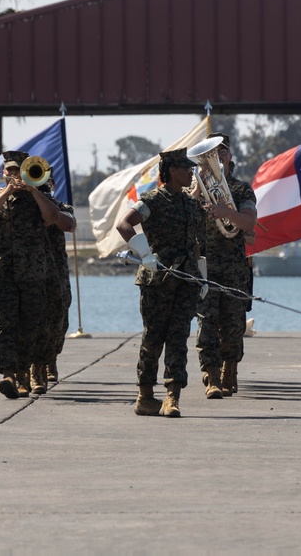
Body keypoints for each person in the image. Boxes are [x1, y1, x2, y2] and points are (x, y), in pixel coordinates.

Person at [117, 147, 205, 417]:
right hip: (157, 280)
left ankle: (172, 396)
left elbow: (196, 244)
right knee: (153, 338)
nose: (191, 172)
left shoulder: (192, 204)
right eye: (186, 168)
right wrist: (144, 254)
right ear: (171, 171)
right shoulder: (151, 200)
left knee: (179, 337)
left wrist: (203, 275)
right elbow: (124, 224)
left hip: (186, 280)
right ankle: (145, 395)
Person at [0, 150, 72, 399]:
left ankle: (24, 373)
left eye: (20, 170)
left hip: (33, 274)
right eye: (10, 170)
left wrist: (33, 191)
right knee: (5, 325)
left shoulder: (41, 200)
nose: (15, 175)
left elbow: (54, 218)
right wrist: (6, 193)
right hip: (1, 273)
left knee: (30, 326)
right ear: (3, 172)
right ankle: (9, 374)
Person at [192, 132, 257, 399]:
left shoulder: (242, 189)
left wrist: (227, 213)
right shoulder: (194, 190)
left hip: (233, 269)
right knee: (206, 324)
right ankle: (211, 377)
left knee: (232, 326)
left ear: (230, 157)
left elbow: (250, 223)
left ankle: (230, 371)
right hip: (205, 269)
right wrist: (195, 194)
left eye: (222, 152)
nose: (217, 156)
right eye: (212, 153)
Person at [35, 171, 76, 392]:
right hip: (31, 271)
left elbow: (68, 224)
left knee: (59, 320)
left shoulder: (60, 206)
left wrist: (47, 204)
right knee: (35, 319)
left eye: (46, 180)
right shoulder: (25, 208)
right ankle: (37, 367)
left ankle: (51, 358)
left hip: (56, 272)